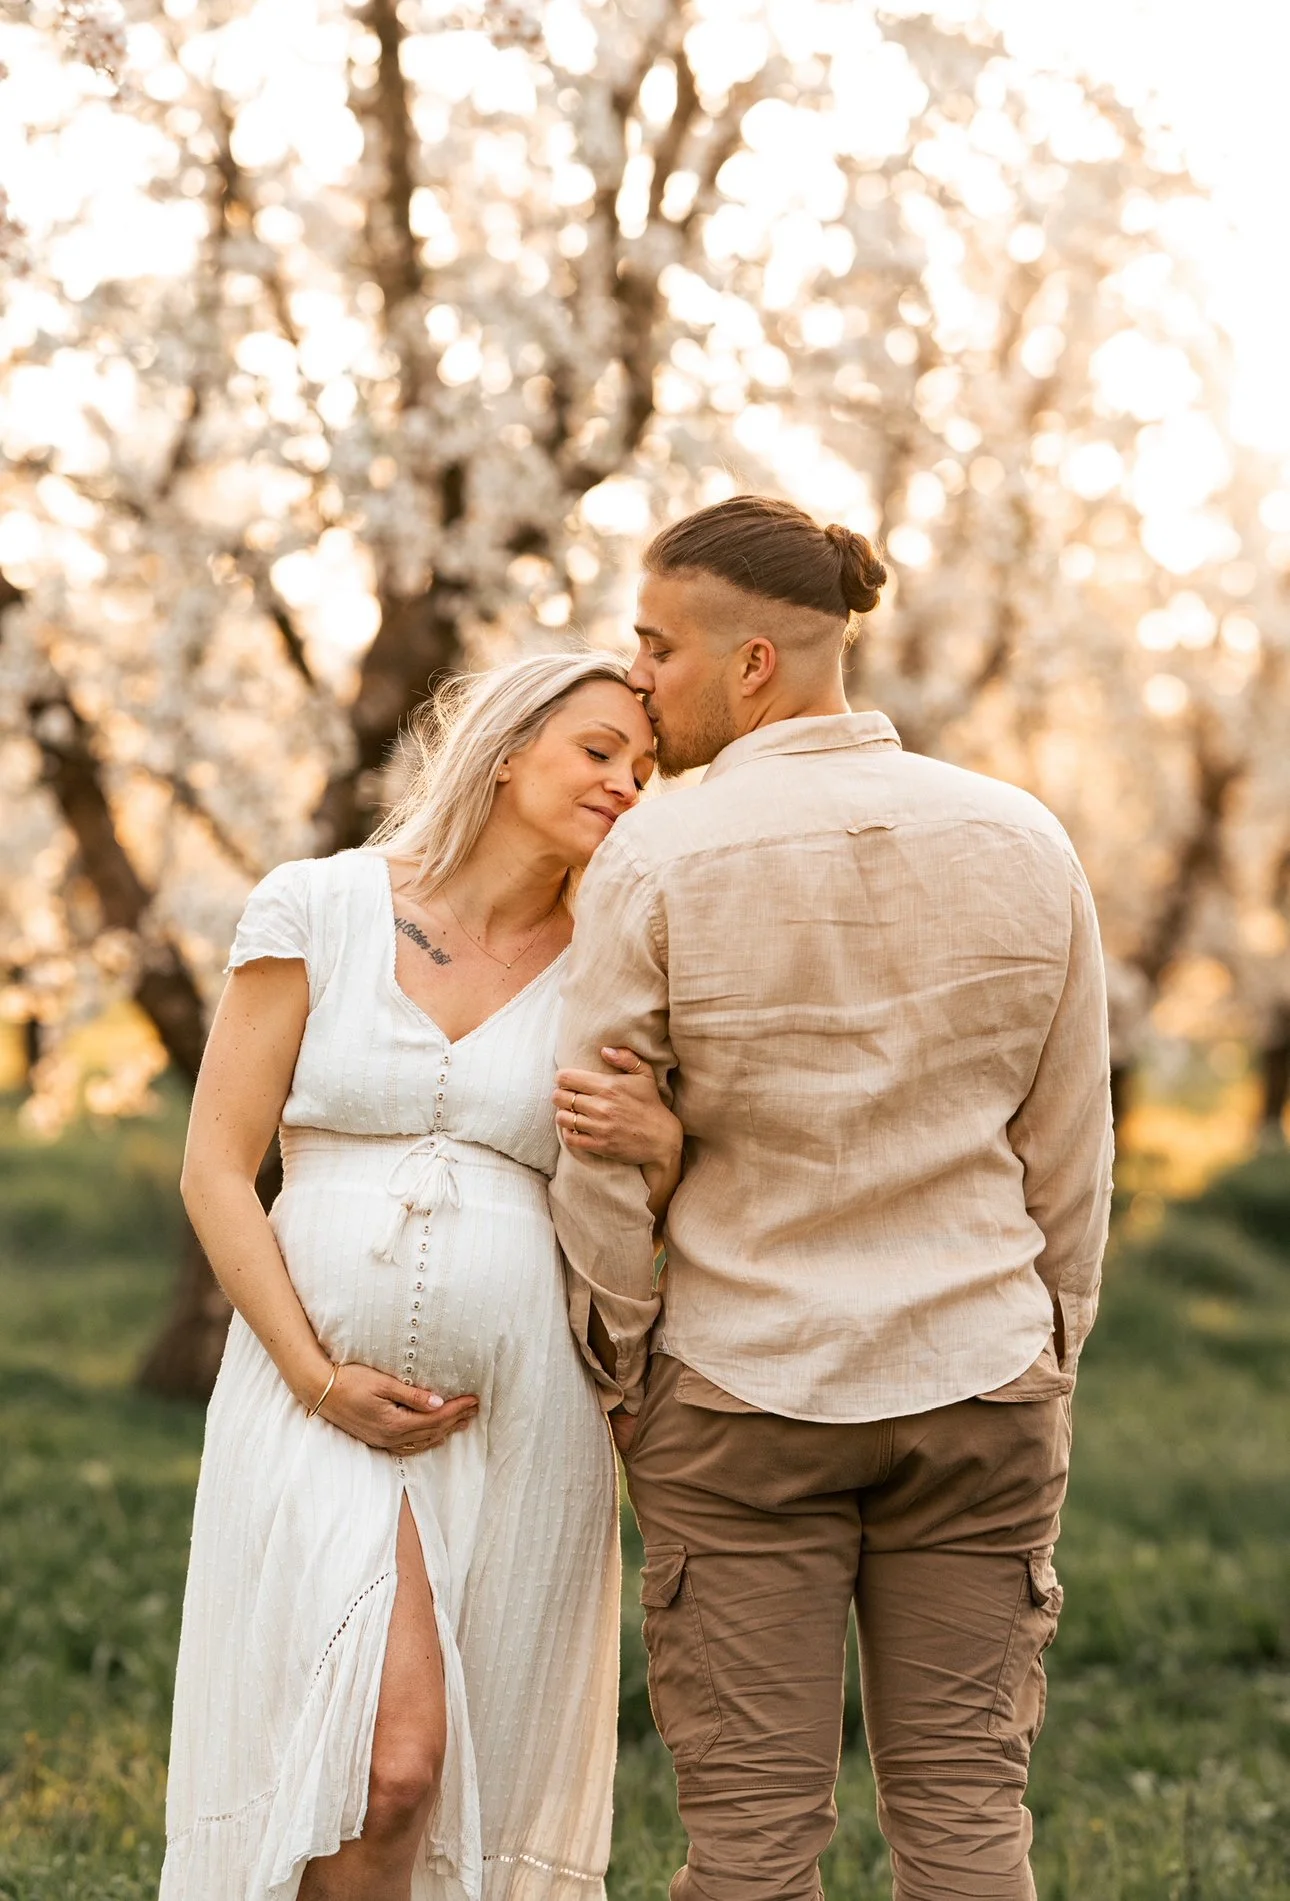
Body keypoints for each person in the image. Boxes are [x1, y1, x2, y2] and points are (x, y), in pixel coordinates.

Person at [549, 495, 1115, 1901]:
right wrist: (1049, 1344)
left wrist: (623, 1363)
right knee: (971, 1833)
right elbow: (1069, 1146)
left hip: (742, 1388)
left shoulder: (657, 856)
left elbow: (604, 1143)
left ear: (752, 665)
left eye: (656, 647)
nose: (637, 682)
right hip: (980, 1377)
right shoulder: (1022, 837)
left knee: (747, 1853)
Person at [160, 653, 682, 1901]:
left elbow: (647, 1195)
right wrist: (317, 1375)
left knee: (445, 1786)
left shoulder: (613, 962)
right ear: (506, 749)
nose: (624, 781)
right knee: (383, 1766)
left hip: (525, 1420)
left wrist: (660, 1143)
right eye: (597, 748)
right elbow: (218, 1169)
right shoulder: (321, 905)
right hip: (315, 1403)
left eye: (644, 767)